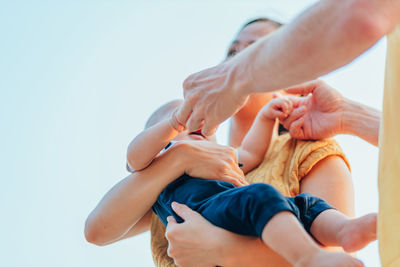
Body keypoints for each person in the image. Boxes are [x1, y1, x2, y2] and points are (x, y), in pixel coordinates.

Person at [85, 18, 356, 267]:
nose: (238, 58)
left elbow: (338, 256)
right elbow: (98, 230)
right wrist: (181, 157)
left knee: (309, 210)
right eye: (232, 51)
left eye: (257, 49)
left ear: (290, 80)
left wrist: (225, 249)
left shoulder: (306, 151)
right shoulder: (171, 176)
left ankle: (362, 227)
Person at [126, 98, 375, 267]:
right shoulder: (159, 165)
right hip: (207, 211)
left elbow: (251, 153)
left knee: (304, 205)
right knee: (260, 196)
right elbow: (134, 158)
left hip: (238, 212)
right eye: (183, 119)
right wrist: (173, 123)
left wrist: (266, 118)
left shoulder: (220, 157)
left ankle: (345, 230)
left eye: (199, 118)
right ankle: (308, 258)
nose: (194, 121)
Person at [177, 0, 400, 137]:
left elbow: (360, 13)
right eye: (233, 53)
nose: (234, 60)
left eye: (256, 51)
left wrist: (232, 77)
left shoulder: (307, 159)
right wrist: (348, 116)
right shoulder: (189, 158)